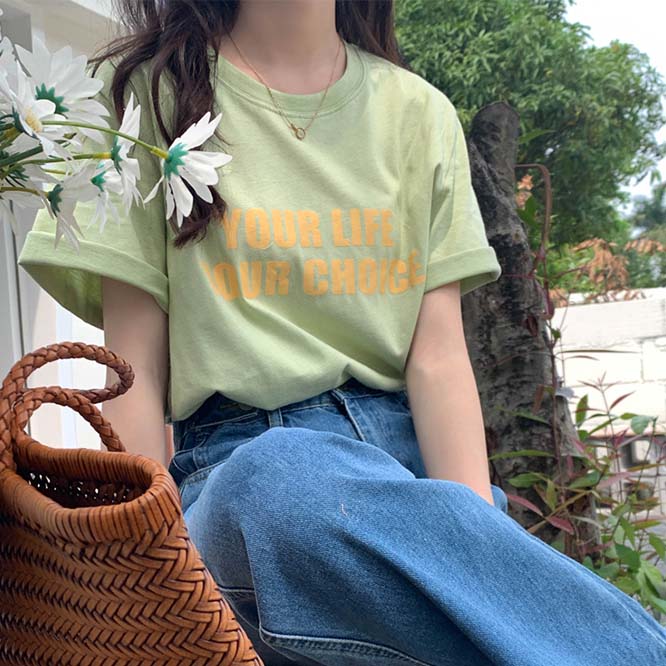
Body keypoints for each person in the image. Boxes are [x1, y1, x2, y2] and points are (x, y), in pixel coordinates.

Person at [16, 1, 666, 664]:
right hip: (241, 478)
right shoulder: (146, 99)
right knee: (281, 474)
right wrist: (148, 568)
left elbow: (438, 360)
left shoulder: (419, 112)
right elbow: (134, 368)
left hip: (408, 480)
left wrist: (477, 537)